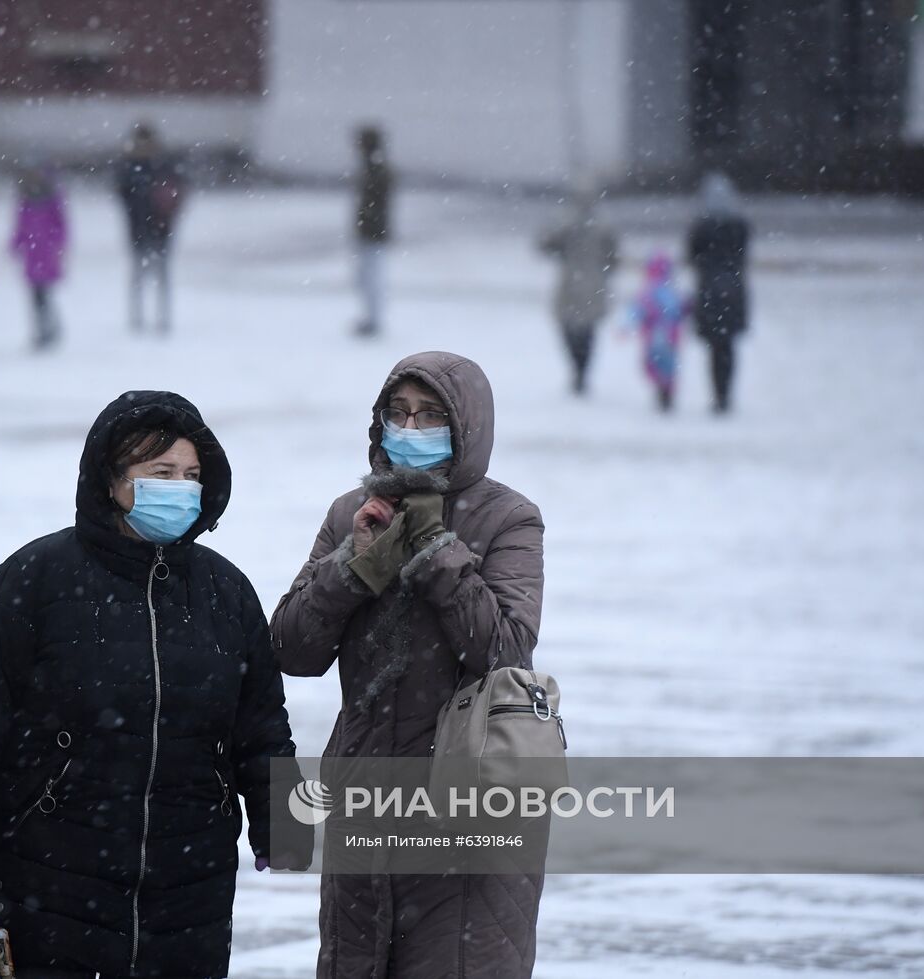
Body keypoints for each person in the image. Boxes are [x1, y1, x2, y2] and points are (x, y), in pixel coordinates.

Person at [0, 390, 313, 979]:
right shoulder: (38, 578)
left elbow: (261, 727)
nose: (180, 487)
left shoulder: (225, 592)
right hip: (48, 878)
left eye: (192, 475)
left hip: (189, 887)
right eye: (161, 473)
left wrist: (283, 828)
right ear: (112, 481)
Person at [270, 351, 546, 979]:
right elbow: (290, 649)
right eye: (398, 415)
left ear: (465, 427)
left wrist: (436, 551)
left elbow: (502, 654)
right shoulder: (352, 513)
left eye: (429, 417)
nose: (410, 430)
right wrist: (352, 569)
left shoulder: (509, 518)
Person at [539, 187, 618, 395]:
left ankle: (578, 370)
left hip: (572, 284)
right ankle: (581, 371)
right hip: (591, 284)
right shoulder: (602, 226)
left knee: (572, 329)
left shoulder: (568, 223)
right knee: (585, 332)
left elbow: (546, 246)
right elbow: (613, 257)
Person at [687, 171, 750, 414]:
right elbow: (743, 257)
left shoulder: (701, 226)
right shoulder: (740, 225)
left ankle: (718, 394)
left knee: (714, 347)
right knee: (728, 346)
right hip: (734, 291)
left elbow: (692, 256)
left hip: (709, 292)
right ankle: (726, 393)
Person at [116, 123, 183, 335]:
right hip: (142, 228)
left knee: (158, 274)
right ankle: (139, 317)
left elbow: (176, 192)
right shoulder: (133, 166)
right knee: (142, 273)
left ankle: (160, 317)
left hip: (158, 228)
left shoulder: (159, 165)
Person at [11, 166, 69, 351]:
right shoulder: (26, 201)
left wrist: (57, 245)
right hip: (33, 254)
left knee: (44, 295)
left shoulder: (52, 200)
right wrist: (16, 244)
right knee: (36, 296)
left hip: (46, 253)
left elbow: (61, 227)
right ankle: (43, 329)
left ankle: (49, 329)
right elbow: (20, 226)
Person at [628, 252, 691, 413]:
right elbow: (680, 310)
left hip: (654, 335)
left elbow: (638, 310)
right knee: (668, 365)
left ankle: (663, 393)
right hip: (670, 335)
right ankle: (666, 393)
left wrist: (628, 325)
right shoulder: (671, 289)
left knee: (654, 364)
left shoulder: (648, 290)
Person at [352, 125, 392, 338]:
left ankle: (373, 319)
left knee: (371, 277)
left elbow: (376, 202)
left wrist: (369, 220)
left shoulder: (377, 169)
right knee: (366, 277)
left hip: (373, 231)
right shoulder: (374, 167)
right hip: (371, 230)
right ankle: (371, 318)